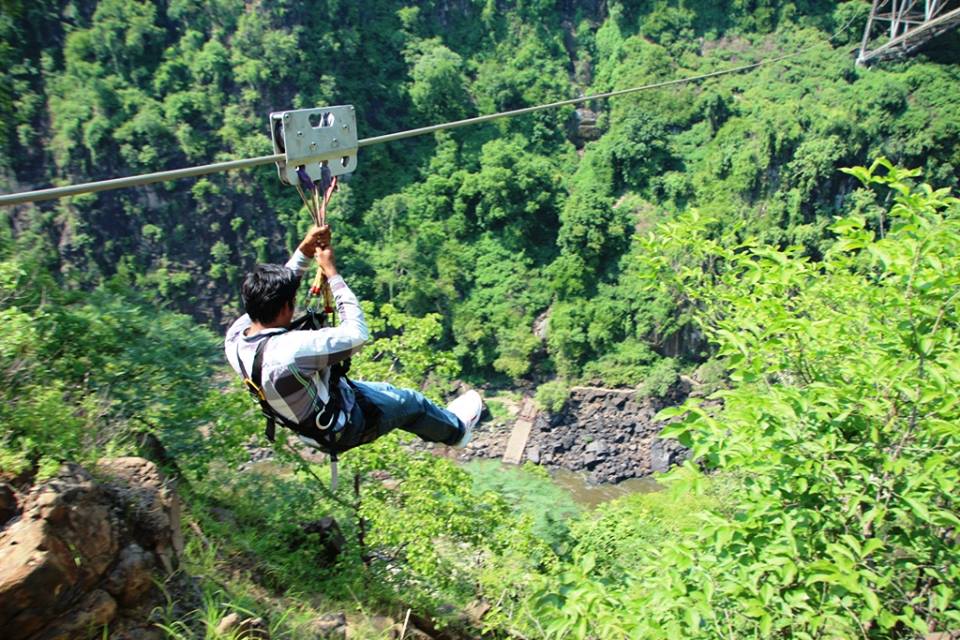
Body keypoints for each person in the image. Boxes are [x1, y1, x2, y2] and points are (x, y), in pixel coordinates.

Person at [224, 224, 482, 455]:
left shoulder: (236, 339)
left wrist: (304, 251)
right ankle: (458, 431)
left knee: (391, 393)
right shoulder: (289, 352)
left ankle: (440, 422)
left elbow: (279, 292)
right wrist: (332, 274)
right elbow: (357, 335)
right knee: (411, 402)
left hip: (312, 421)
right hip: (343, 426)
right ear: (284, 309)